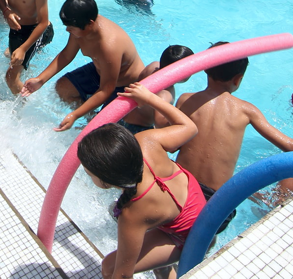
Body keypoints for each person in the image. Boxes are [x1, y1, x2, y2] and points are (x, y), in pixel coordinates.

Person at [161, 43, 293, 234]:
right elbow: (289, 145)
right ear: (238, 79)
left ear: (205, 69)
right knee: (202, 239)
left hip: (178, 188)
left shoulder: (186, 100)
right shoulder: (246, 111)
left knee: (170, 230)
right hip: (214, 201)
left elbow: (171, 145)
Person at [78, 85, 204, 279]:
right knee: (156, 265)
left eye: (88, 172)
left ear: (106, 179)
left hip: (192, 237)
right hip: (200, 207)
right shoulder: (146, 140)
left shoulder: (132, 214)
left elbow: (122, 275)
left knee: (109, 267)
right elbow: (190, 127)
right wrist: (150, 99)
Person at [21, 0, 146, 132]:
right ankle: (91, 119)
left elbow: (106, 89)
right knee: (63, 88)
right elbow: (67, 55)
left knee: (105, 130)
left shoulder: (109, 46)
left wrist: (75, 114)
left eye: (71, 27)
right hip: (102, 71)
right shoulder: (79, 28)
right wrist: (40, 79)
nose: (68, 30)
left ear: (90, 23)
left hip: (126, 85)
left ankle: (96, 126)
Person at [121, 45, 193, 134]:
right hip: (136, 129)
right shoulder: (165, 94)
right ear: (182, 73)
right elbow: (159, 124)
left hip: (123, 115)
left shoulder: (153, 66)